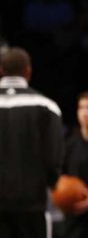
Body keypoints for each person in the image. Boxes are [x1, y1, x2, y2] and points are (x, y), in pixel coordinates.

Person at [0, 47, 64, 238]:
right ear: (28, 71)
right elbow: (53, 159)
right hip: (32, 205)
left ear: (0, 70)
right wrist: (50, 182)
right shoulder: (47, 107)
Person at [60, 91, 88, 238]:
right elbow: (60, 176)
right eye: (81, 107)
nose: (85, 113)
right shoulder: (69, 143)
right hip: (74, 219)